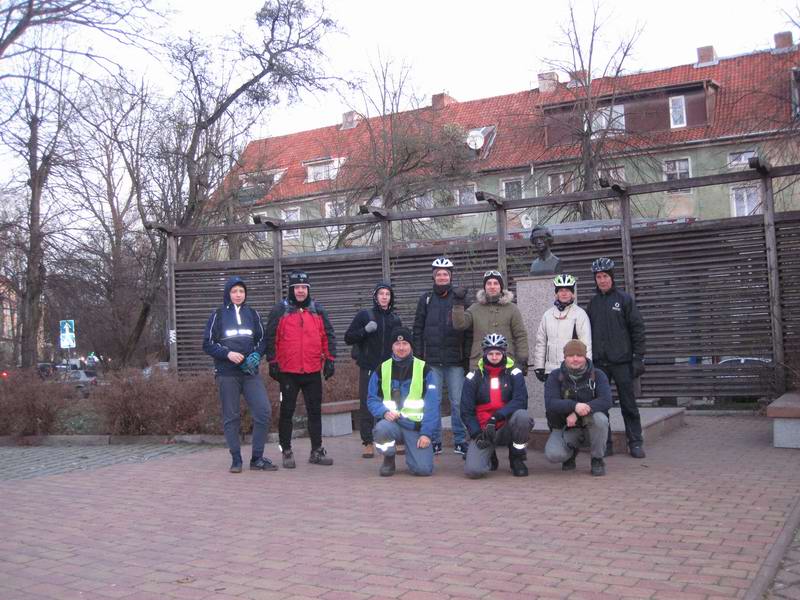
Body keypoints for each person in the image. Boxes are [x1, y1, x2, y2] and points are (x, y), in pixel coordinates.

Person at [202, 276, 277, 473]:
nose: (238, 294)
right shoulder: (217, 315)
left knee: (263, 411)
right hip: (227, 374)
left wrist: (256, 355)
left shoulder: (252, 314)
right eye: (234, 291)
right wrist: (227, 354)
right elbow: (207, 344)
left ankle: (257, 458)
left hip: (249, 373)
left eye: (241, 291)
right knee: (231, 417)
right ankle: (236, 459)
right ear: (228, 293)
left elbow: (263, 341)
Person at [265, 270, 337, 468]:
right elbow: (270, 338)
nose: (300, 291)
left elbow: (328, 335)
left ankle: (317, 451)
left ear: (308, 289)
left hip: (312, 370)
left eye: (304, 287)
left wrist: (330, 359)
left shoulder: (317, 310)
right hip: (288, 372)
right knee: (286, 412)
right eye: (297, 287)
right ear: (291, 289)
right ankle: (286, 450)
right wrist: (272, 361)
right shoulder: (280, 310)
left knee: (315, 412)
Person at [586, 257, 647, 458]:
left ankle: (635, 442)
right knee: (602, 406)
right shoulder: (592, 303)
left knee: (628, 404)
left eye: (605, 276)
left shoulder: (624, 300)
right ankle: (606, 443)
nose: (602, 280)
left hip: (622, 362)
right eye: (598, 277)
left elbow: (637, 329)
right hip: (600, 364)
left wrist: (638, 358)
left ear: (612, 277)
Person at [413, 256, 470, 456]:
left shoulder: (460, 297)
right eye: (439, 274)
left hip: (455, 361)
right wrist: (419, 357)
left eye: (446, 274)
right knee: (433, 401)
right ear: (433, 276)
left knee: (457, 401)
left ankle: (460, 440)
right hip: (433, 362)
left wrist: (467, 358)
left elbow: (468, 330)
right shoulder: (426, 299)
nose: (442, 277)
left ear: (451, 276)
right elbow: (418, 329)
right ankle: (434, 439)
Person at [367, 327, 440, 477]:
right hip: (391, 424)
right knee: (381, 429)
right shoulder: (381, 369)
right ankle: (389, 457)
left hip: (415, 427)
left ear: (411, 346)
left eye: (405, 343)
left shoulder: (424, 369)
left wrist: (426, 434)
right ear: (392, 347)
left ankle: (414, 455)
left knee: (423, 470)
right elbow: (372, 399)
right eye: (397, 344)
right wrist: (383, 412)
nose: (401, 348)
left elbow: (432, 405)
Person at [461, 333, 533, 478]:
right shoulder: (473, 377)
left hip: (506, 424)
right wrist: (476, 433)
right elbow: (466, 410)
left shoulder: (515, 373)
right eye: (491, 353)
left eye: (498, 353)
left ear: (504, 353)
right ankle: (490, 455)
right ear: (484, 354)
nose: (494, 357)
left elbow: (521, 401)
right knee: (473, 472)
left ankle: (517, 457)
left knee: (523, 417)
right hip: (483, 429)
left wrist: (496, 417)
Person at [344, 282, 401, 458]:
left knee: (392, 404)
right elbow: (348, 337)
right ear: (375, 297)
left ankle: (394, 440)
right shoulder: (365, 315)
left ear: (391, 298)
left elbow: (401, 343)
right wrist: (365, 330)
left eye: (387, 294)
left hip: (389, 368)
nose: (384, 297)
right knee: (368, 404)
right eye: (381, 294)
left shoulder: (395, 319)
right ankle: (368, 442)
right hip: (369, 367)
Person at [543, 339, 612, 476]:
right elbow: (551, 403)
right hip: (565, 427)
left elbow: (606, 401)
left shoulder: (598, 375)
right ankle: (570, 455)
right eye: (571, 355)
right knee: (553, 455)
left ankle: (597, 459)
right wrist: (574, 405)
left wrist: (578, 412)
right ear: (564, 357)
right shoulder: (555, 376)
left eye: (579, 355)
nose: (575, 359)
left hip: (591, 428)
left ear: (585, 356)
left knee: (601, 419)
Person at [452, 270, 529, 374]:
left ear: (501, 286)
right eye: (489, 283)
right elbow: (459, 325)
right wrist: (458, 304)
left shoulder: (512, 309)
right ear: (484, 287)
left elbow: (520, 335)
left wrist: (522, 359)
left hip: (507, 362)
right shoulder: (475, 308)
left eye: (496, 283)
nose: (492, 286)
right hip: (479, 363)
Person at [532, 273, 592, 383]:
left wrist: (588, 367)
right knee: (551, 400)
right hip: (551, 370)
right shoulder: (547, 315)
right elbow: (541, 342)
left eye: (567, 290)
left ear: (572, 293)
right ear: (556, 293)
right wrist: (539, 366)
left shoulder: (580, 314)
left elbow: (586, 343)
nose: (564, 293)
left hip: (573, 370)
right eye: (561, 290)